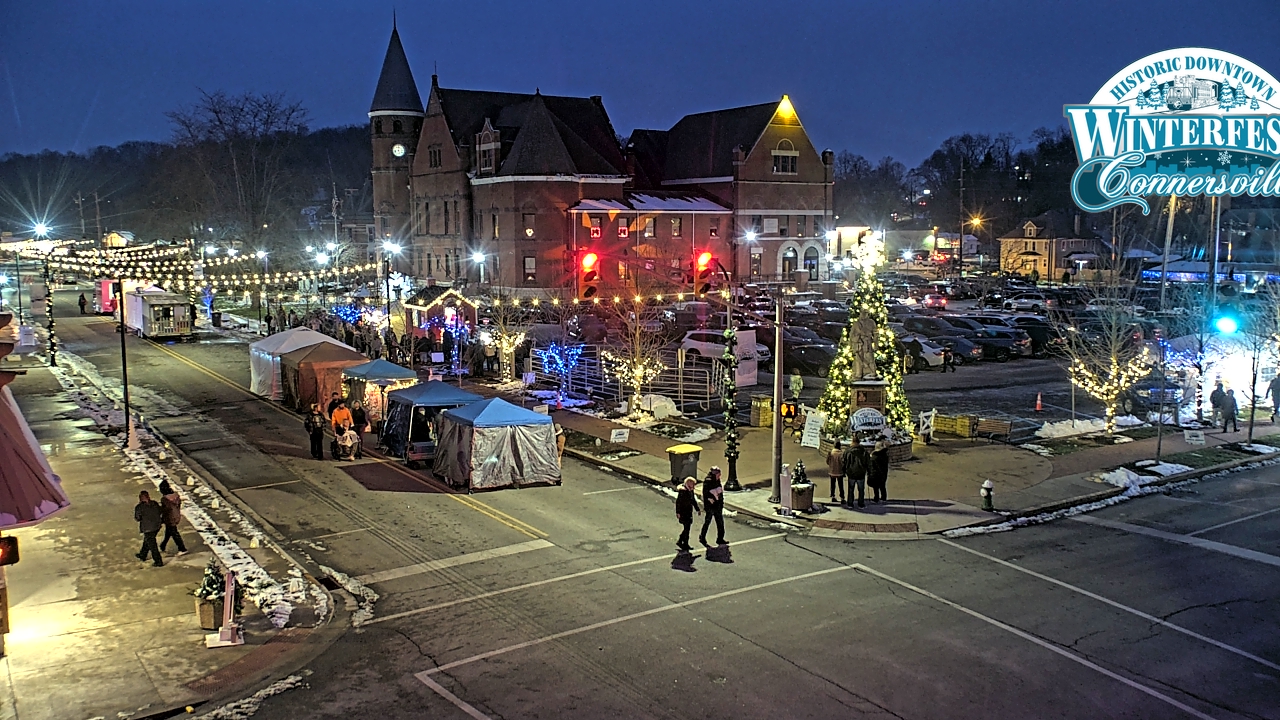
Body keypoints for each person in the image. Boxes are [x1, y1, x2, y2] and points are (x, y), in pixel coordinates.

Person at [134, 491, 164, 567]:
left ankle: (158, 561)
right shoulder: (155, 503)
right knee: (148, 540)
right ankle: (143, 554)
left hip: (147, 528)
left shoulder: (139, 507)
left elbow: (137, 518)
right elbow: (160, 511)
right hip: (156, 526)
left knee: (152, 545)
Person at [157, 480, 187, 555]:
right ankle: (163, 545)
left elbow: (165, 510)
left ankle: (182, 549)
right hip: (176, 516)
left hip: (170, 518)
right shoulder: (176, 497)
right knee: (169, 531)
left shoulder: (165, 499)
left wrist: (161, 517)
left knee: (174, 533)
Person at [699, 467, 725, 546]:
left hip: (718, 505)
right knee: (707, 522)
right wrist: (709, 498)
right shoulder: (708, 481)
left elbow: (720, 492)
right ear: (715, 474)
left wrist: (721, 502)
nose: (719, 475)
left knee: (720, 522)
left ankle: (720, 538)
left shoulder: (717, 480)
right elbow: (705, 492)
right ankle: (702, 537)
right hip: (710, 506)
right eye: (718, 474)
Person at [675, 476, 701, 552]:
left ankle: (681, 540)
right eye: (693, 484)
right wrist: (678, 512)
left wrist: (697, 509)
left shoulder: (690, 491)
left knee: (687, 527)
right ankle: (685, 543)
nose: (694, 486)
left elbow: (693, 500)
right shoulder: (683, 491)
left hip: (688, 512)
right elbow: (678, 502)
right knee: (687, 528)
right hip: (683, 512)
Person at [841, 440, 869, 508]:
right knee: (861, 490)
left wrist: (844, 471)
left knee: (851, 489)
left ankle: (850, 503)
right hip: (861, 473)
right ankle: (861, 504)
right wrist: (868, 471)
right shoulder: (864, 452)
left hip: (851, 473)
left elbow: (844, 462)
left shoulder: (848, 451)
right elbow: (868, 462)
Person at [868, 435, 891, 503]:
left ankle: (876, 498)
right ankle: (883, 497)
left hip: (875, 473)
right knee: (882, 485)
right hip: (883, 472)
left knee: (876, 487)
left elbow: (871, 466)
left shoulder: (874, 457)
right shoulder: (884, 455)